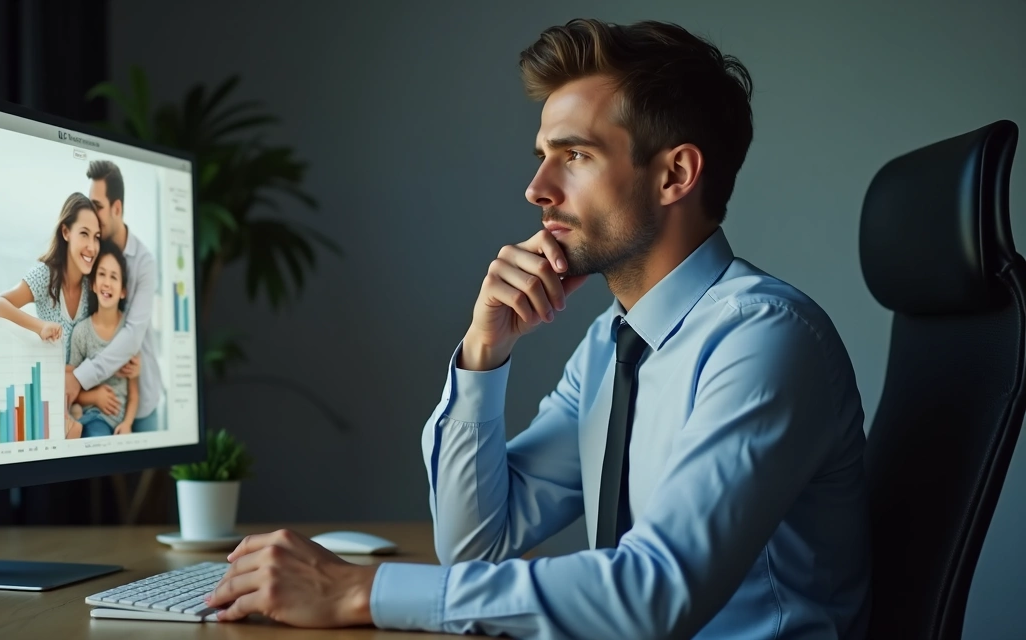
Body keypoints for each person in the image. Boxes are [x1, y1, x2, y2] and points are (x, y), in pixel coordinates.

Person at [201, 18, 872, 639]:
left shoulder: (764, 340)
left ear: (675, 174)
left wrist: (362, 590)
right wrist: (482, 354)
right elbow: (475, 546)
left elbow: (656, 594)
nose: (537, 187)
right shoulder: (612, 346)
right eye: (543, 154)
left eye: (574, 155)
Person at [64, 160, 163, 433]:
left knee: (150, 473)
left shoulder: (144, 263)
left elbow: (132, 336)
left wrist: (79, 378)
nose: (91, 215)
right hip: (101, 405)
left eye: (97, 207)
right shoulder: (92, 253)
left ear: (117, 208)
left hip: (140, 395)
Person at [0, 192, 100, 359]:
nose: (92, 247)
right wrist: (40, 327)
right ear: (66, 232)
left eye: (96, 237)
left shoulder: (94, 286)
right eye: (84, 234)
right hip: (51, 381)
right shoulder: (46, 277)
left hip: (84, 383)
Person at [65, 240, 139, 439]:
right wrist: (95, 397)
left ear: (123, 291)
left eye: (114, 277)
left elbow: (134, 393)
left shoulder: (129, 332)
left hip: (117, 424)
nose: (107, 282)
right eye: (102, 274)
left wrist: (128, 424)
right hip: (90, 417)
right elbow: (70, 389)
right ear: (94, 284)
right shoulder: (81, 333)